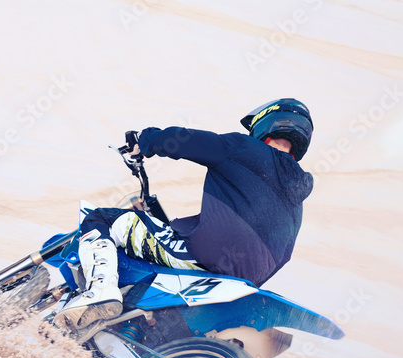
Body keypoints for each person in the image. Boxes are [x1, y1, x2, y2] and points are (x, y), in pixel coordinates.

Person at [57, 98, 315, 331]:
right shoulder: (296, 200)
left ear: (266, 124)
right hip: (242, 282)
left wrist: (144, 141)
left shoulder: (242, 148)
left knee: (102, 219)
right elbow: (283, 256)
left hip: (204, 260)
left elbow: (186, 141)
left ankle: (101, 290)